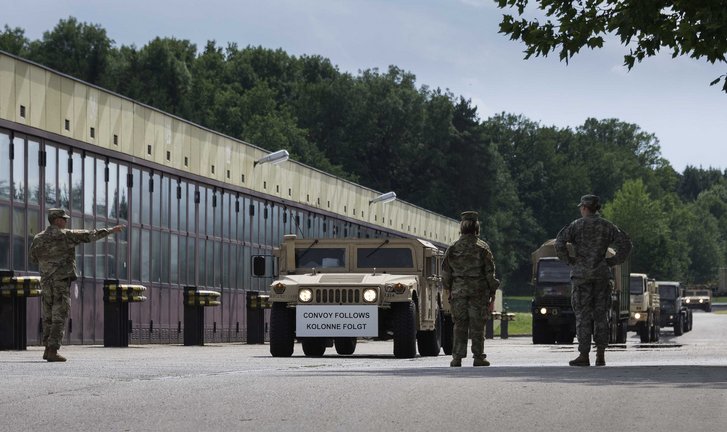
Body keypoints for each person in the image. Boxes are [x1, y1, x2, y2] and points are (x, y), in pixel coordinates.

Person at [29, 208, 126, 362]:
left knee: (47, 315)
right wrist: (110, 230)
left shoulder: (38, 238)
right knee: (59, 316)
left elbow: (33, 258)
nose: (66, 221)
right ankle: (53, 350)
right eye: (64, 219)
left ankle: (47, 349)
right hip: (60, 282)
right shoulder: (66, 235)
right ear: (57, 220)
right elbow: (90, 235)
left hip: (46, 283)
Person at [555, 195, 632, 367]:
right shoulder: (608, 226)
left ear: (584, 208)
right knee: (601, 316)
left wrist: (571, 261)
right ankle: (601, 355)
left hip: (581, 277)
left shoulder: (576, 225)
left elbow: (559, 243)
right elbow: (626, 244)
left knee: (582, 316)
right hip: (601, 276)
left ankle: (583, 355)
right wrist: (612, 261)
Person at [442, 211, 500, 367]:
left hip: (458, 293)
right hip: (478, 293)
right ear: (477, 228)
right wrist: (493, 289)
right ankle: (478, 357)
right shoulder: (483, 248)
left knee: (459, 325)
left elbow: (446, 272)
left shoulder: (453, 248)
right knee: (477, 325)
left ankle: (457, 358)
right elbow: (489, 273)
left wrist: (448, 289)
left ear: (461, 227)